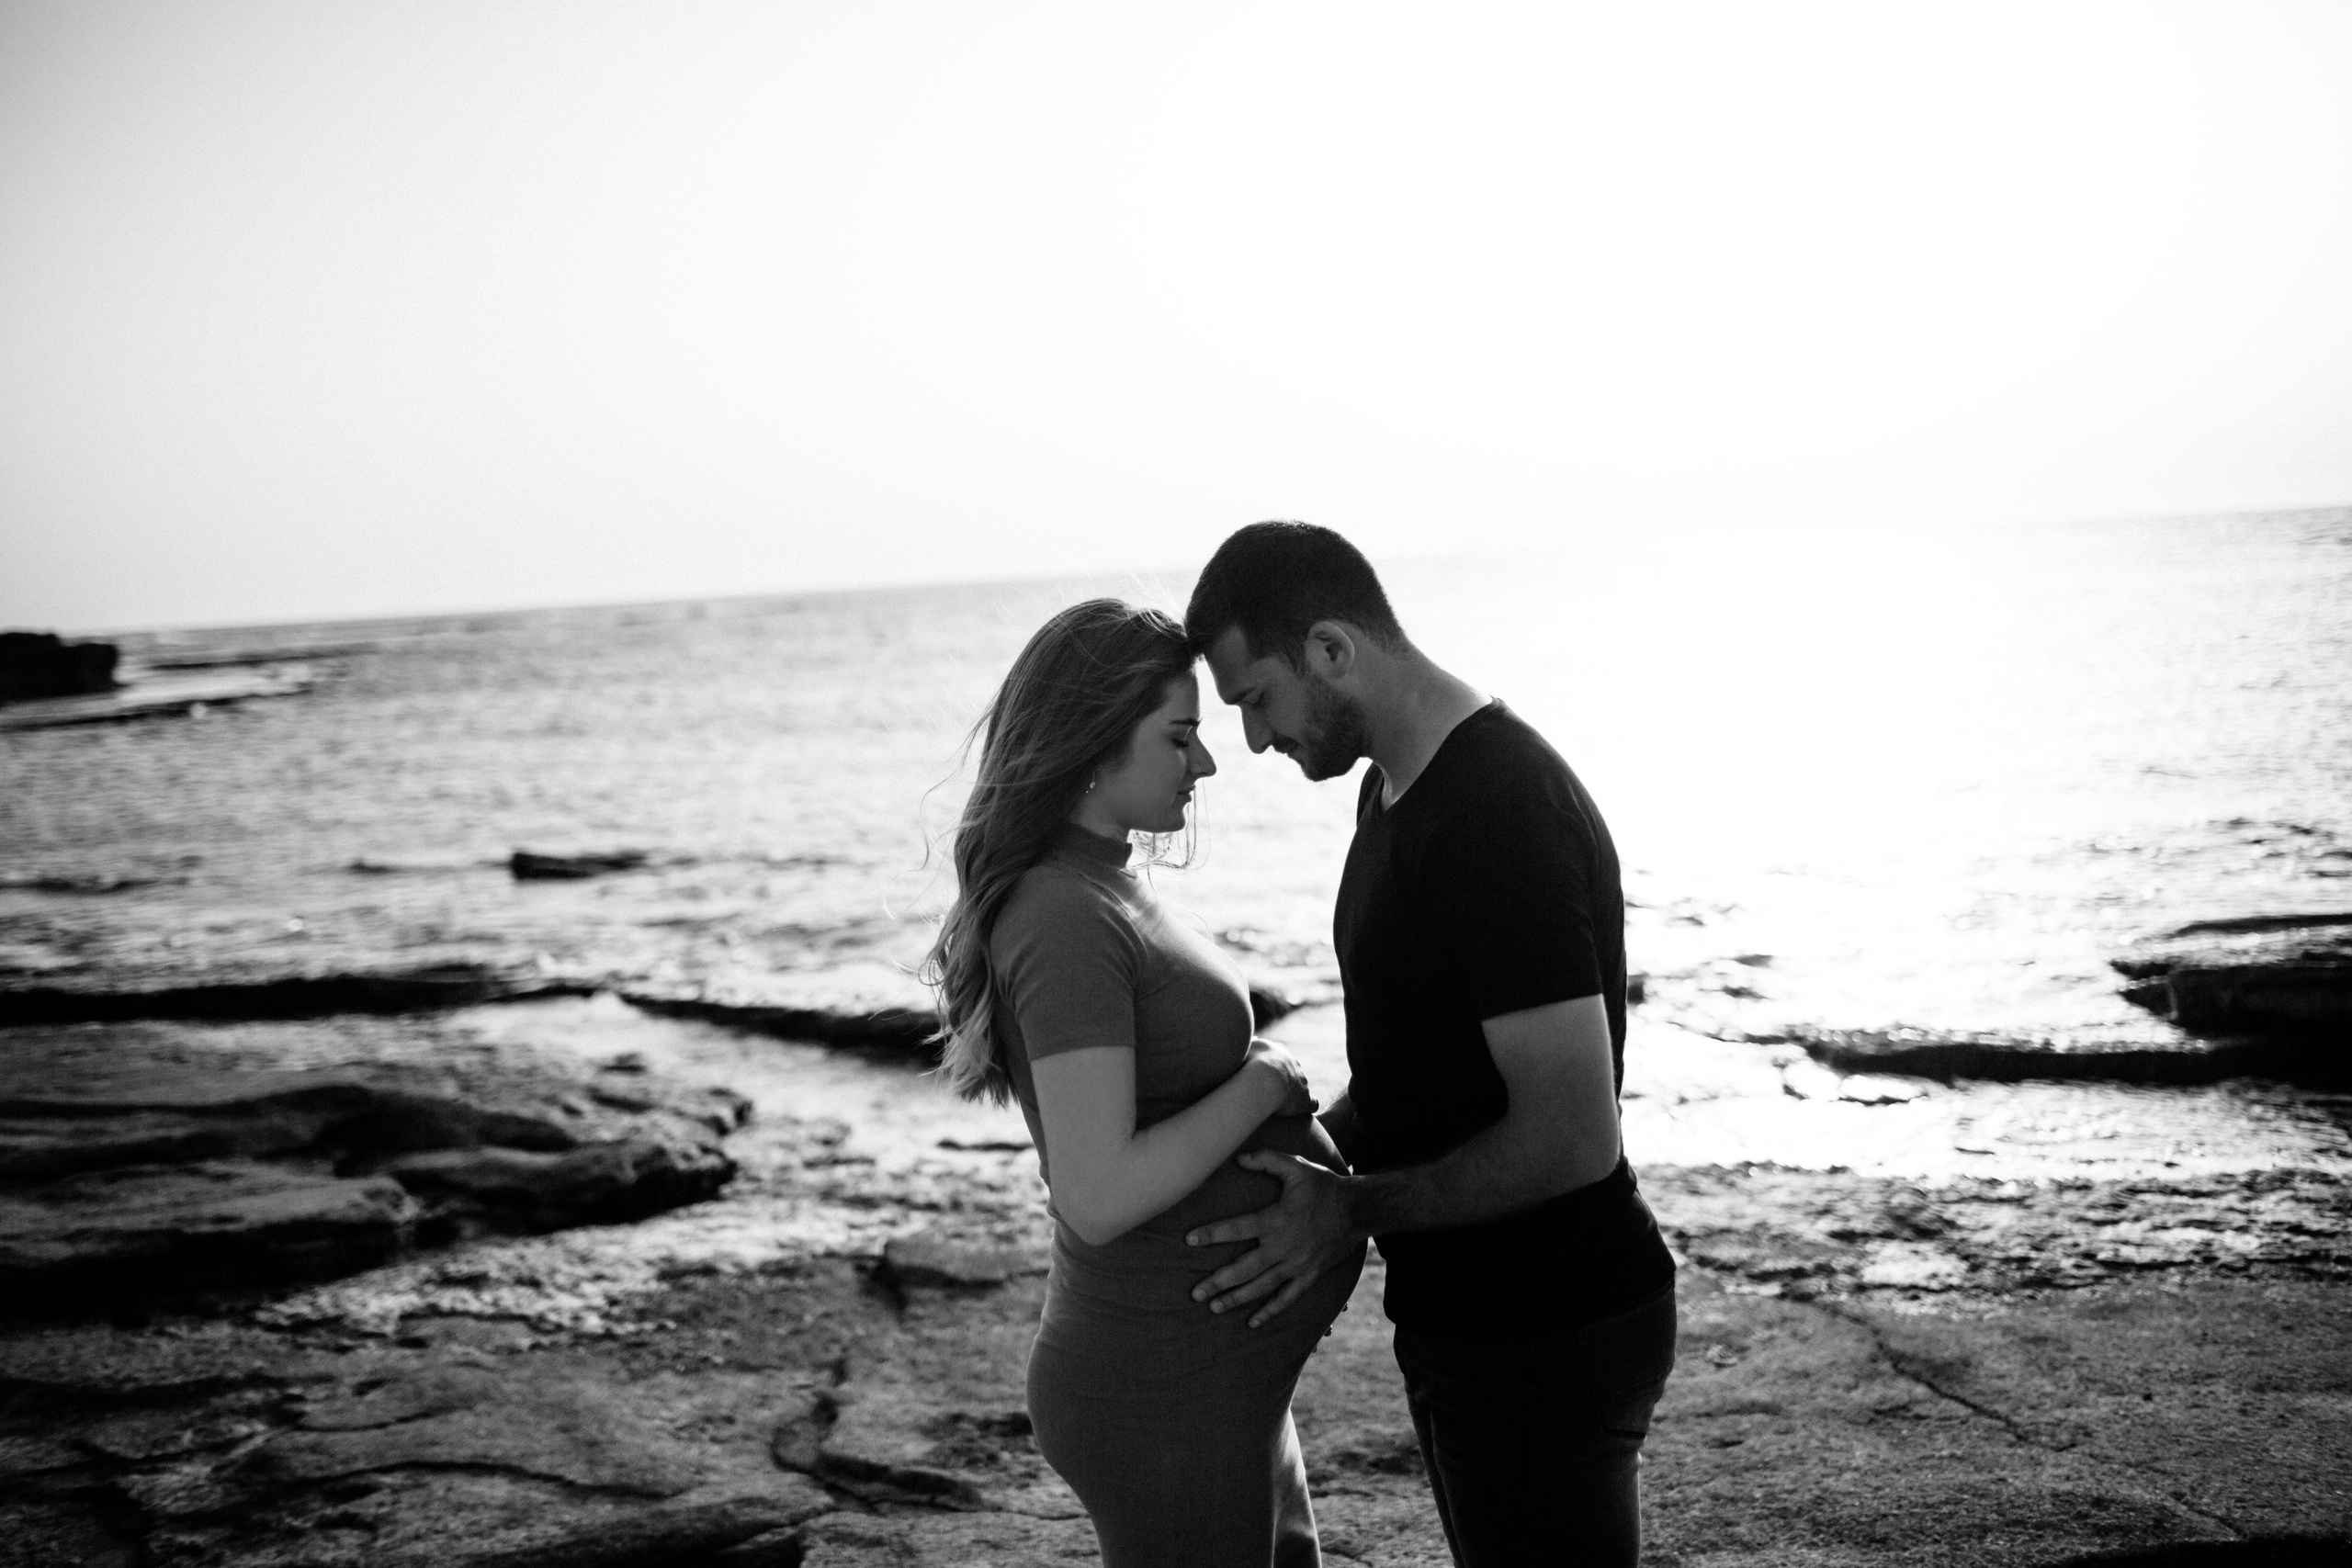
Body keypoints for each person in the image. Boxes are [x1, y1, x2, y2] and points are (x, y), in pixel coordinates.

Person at [1181, 522, 1678, 1568]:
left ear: (1329, 650)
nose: (1257, 742)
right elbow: (1419, 1080)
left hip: (1550, 1326)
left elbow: (1570, 1137)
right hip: (1468, 1321)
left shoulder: (1500, 807)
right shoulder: (1391, 791)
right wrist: (1294, 1146)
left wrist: (1347, 1210)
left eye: (1254, 699)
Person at [922, 597, 1366, 1568]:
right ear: (1092, 742)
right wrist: (1266, 1084)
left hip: (1211, 1381)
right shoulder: (1062, 914)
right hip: (1161, 1389)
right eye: (1178, 738)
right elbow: (1097, 1194)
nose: (1205, 765)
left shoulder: (1105, 882)